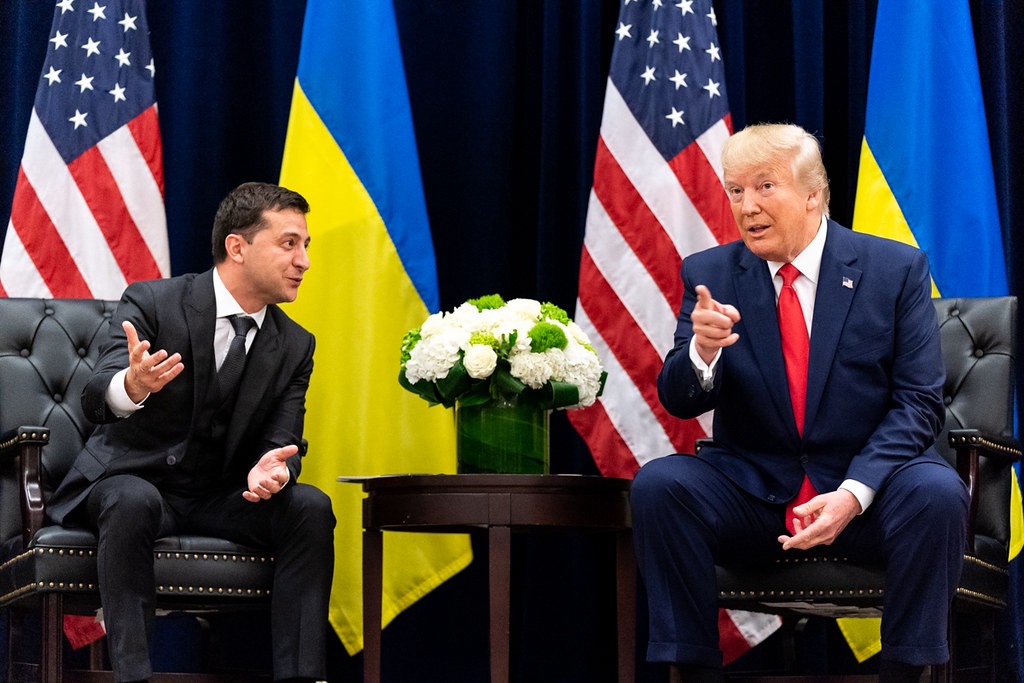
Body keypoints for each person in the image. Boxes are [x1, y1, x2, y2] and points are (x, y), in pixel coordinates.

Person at [630, 124, 968, 683]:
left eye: (765, 186)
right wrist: (702, 353)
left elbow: (918, 403)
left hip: (867, 493)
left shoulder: (894, 269)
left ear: (813, 194)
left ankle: (909, 672)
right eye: (736, 190)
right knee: (660, 487)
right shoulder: (711, 274)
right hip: (755, 492)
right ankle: (690, 670)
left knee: (936, 493)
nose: (747, 206)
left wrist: (853, 494)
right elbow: (679, 400)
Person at [48, 182, 336, 683]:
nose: (304, 260)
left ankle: (300, 677)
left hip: (220, 497)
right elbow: (95, 397)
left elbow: (282, 441)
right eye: (290, 243)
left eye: (305, 245)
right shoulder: (154, 302)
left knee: (310, 507)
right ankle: (133, 676)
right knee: (132, 498)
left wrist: (277, 471)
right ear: (237, 247)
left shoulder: (296, 344)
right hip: (132, 481)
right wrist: (131, 386)